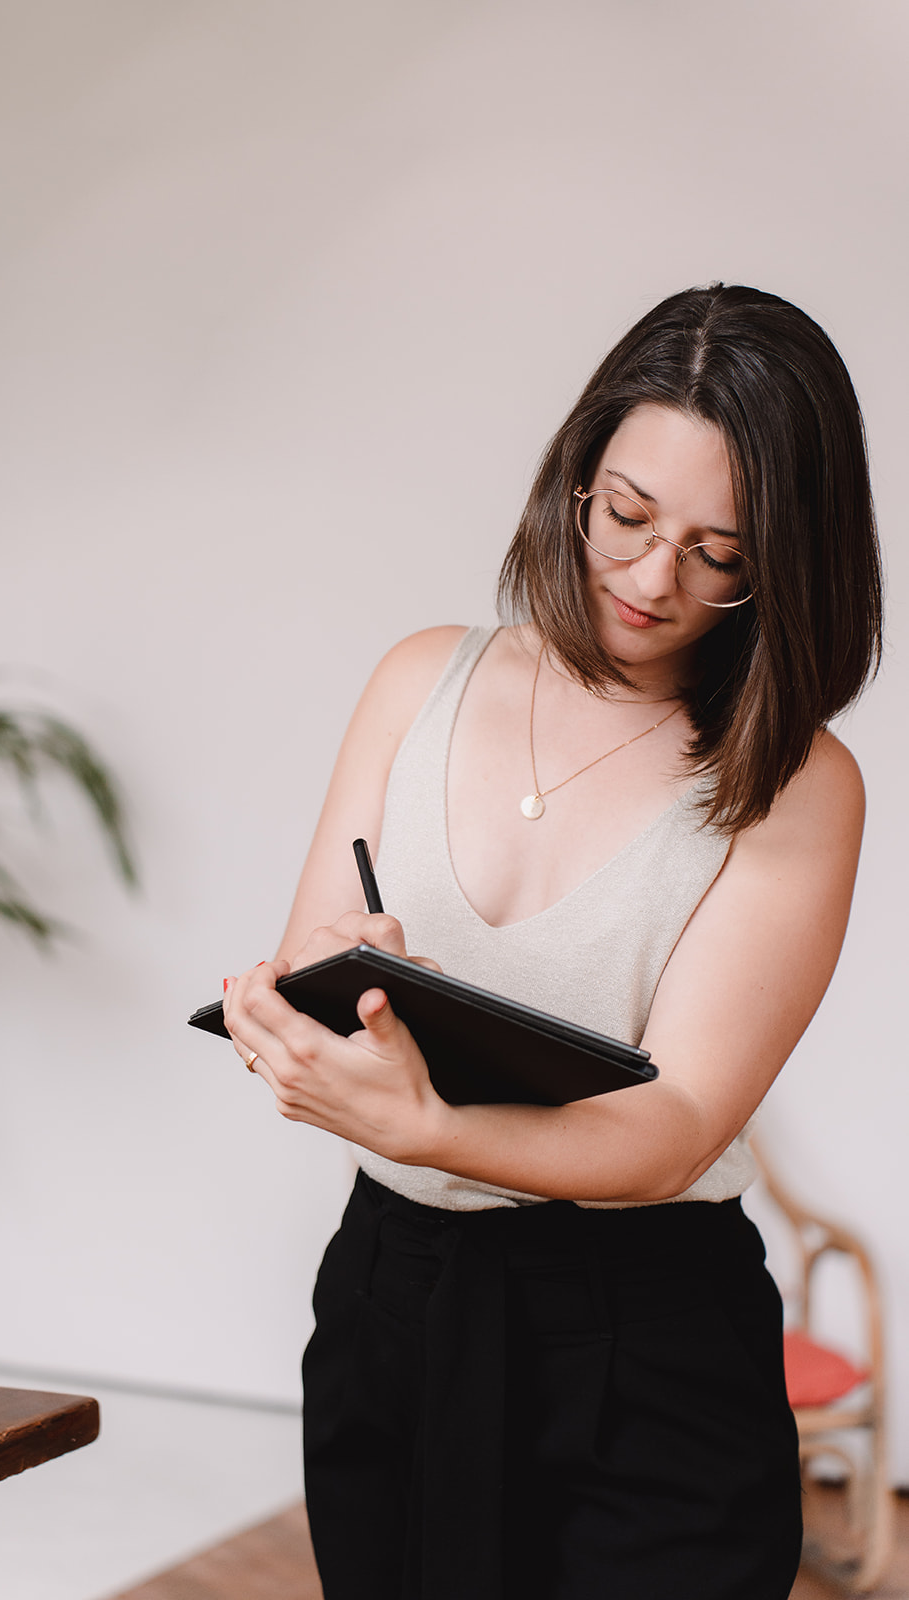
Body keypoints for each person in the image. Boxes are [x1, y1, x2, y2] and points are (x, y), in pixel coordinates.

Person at [222, 284, 883, 1600]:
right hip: (393, 1297)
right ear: (578, 479)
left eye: (720, 552)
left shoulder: (800, 782)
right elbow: (305, 971)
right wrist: (290, 1027)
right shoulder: (422, 678)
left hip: (648, 1329)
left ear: (789, 564)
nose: (651, 579)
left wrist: (426, 1126)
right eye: (629, 517)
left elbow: (679, 1120)